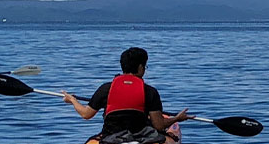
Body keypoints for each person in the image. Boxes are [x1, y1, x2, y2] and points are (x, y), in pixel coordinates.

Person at [61, 47, 190, 138]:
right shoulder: (150, 92)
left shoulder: (106, 88)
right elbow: (159, 125)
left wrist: (72, 100)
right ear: (140, 67)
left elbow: (86, 114)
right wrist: (177, 118)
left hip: (110, 138)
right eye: (145, 66)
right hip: (140, 137)